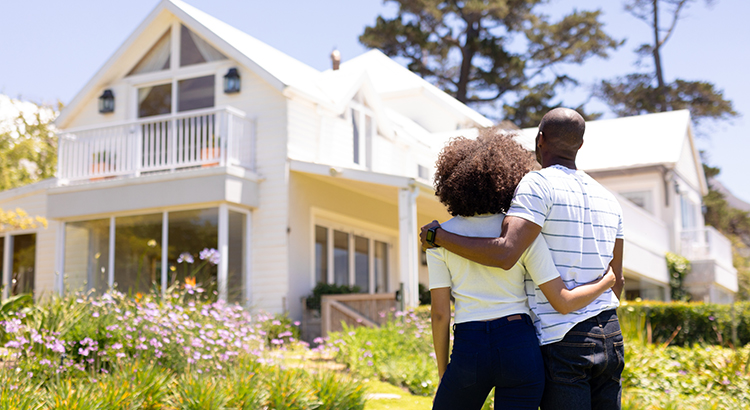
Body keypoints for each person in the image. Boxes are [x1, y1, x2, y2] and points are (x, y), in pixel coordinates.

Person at [421, 108, 625, 410]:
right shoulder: (609, 199)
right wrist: (606, 284)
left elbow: (505, 253)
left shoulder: (537, 187)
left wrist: (438, 238)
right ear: (580, 145)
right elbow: (616, 279)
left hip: (556, 337)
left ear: (539, 139)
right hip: (604, 333)